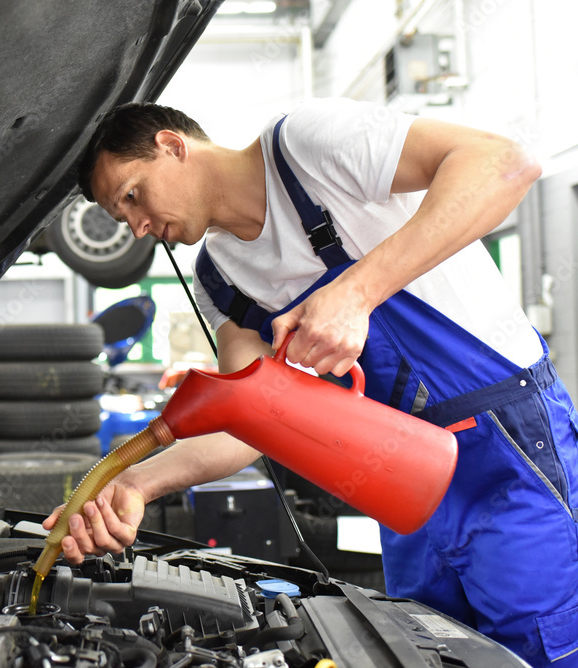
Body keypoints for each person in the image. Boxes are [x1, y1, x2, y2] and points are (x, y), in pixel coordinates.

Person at [42, 97, 578, 666]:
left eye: (133, 196)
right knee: (425, 652)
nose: (140, 227)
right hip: (401, 477)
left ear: (173, 147)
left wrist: (357, 292)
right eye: (125, 220)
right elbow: (245, 428)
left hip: (505, 449)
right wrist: (134, 484)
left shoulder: (305, 147)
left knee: (543, 648)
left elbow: (504, 163)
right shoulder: (221, 279)